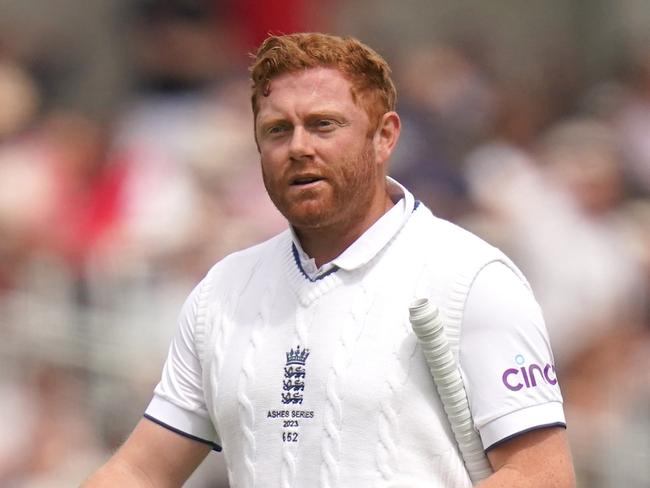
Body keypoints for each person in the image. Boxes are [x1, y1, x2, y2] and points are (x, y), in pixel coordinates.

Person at [83, 32, 575, 487]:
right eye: (278, 130)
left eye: (324, 125)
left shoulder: (471, 278)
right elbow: (140, 471)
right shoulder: (224, 290)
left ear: (385, 137)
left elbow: (543, 477)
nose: (299, 147)